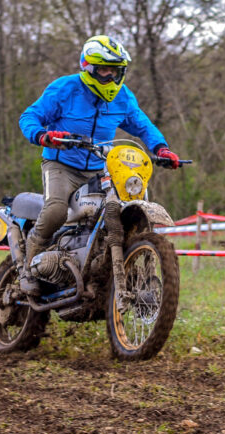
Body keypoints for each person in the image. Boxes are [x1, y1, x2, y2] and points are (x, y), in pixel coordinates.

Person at [17, 34, 180, 291]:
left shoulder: (123, 97)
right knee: (56, 210)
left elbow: (143, 125)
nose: (111, 77)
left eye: (116, 71)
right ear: (89, 68)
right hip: (62, 165)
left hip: (102, 167)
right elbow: (30, 116)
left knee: (121, 211)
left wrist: (162, 148)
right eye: (105, 70)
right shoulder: (64, 89)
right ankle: (28, 269)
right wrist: (43, 135)